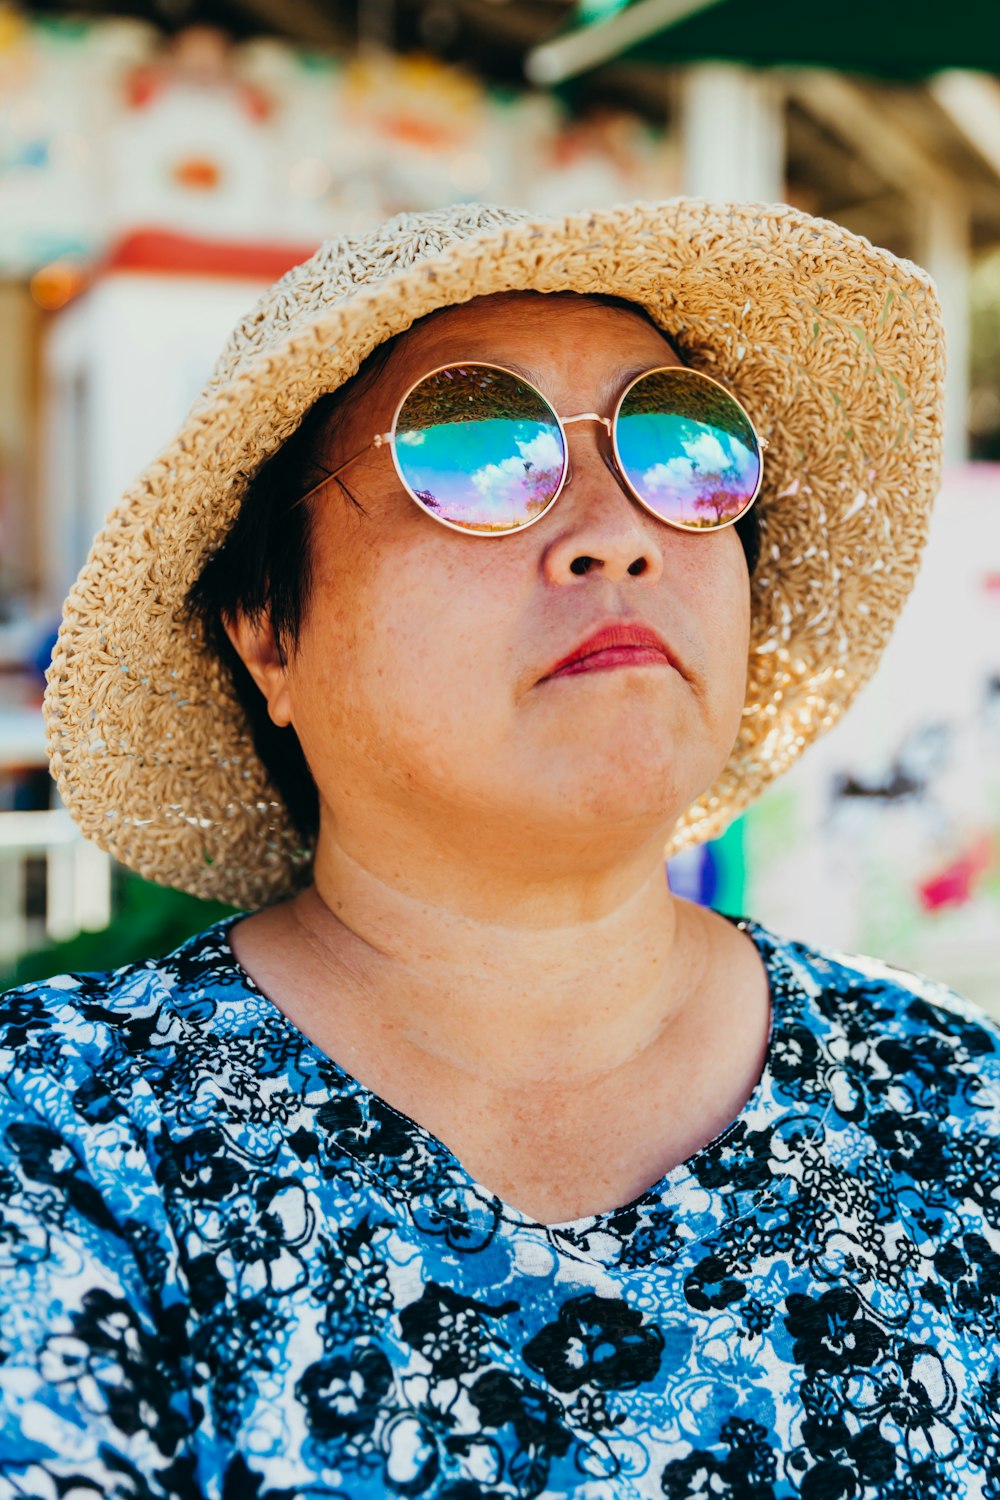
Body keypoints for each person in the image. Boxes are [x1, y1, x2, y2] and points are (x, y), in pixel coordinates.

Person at [2, 200, 997, 1499]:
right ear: (266, 629)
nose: (619, 532)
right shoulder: (59, 1144)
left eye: (684, 449)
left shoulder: (958, 1115)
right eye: (478, 452)